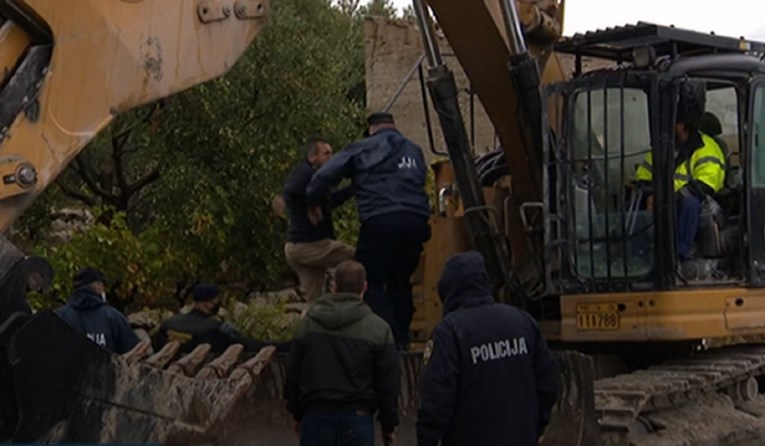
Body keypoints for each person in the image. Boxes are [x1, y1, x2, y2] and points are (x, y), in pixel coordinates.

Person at [306, 112, 431, 350]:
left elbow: (324, 176)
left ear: (371, 129)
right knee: (401, 282)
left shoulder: (362, 148)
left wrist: (313, 201)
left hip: (380, 221)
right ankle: (403, 341)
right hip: (416, 222)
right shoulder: (414, 151)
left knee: (372, 282)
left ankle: (387, 343)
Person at [416, 251, 557, 446]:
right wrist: (537, 424)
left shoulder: (450, 332)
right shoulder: (522, 322)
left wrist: (427, 439)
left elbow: (436, 397)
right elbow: (548, 381)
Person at [285, 260, 400, 446]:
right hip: (358, 417)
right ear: (364, 287)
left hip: (315, 414)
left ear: (334, 286)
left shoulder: (308, 324)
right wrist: (389, 425)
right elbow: (388, 383)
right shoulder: (378, 329)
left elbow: (293, 371)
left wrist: (297, 412)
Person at [635, 102, 726, 260]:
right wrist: (650, 195)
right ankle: (638, 257)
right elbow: (644, 177)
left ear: (682, 124)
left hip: (697, 205)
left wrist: (670, 198)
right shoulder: (661, 147)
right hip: (665, 204)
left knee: (690, 203)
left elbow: (705, 185)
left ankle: (678, 255)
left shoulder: (707, 148)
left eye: (670, 122)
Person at [281, 137, 355, 302]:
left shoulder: (313, 181)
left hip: (295, 248)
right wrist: (311, 206)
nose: (331, 157)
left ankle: (310, 325)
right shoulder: (307, 172)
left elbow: (330, 201)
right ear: (312, 157)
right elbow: (291, 190)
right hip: (310, 244)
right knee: (361, 257)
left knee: (315, 302)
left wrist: (352, 188)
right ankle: (353, 305)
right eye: (326, 153)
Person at [154, 283, 285, 354]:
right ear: (209, 303)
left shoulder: (167, 324)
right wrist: (288, 345)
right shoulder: (216, 328)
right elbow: (251, 345)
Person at [55, 268, 140, 354]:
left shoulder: (59, 317)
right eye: (103, 286)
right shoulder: (113, 317)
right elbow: (133, 353)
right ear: (98, 286)